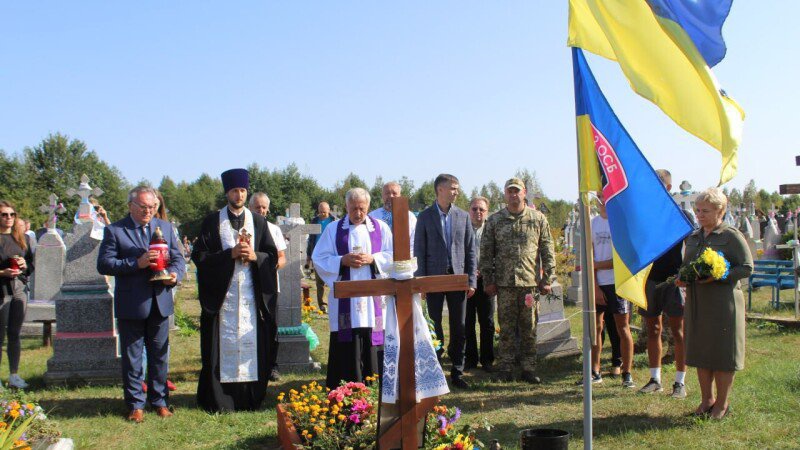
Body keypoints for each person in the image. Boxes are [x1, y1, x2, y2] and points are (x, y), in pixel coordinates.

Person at [191, 169, 278, 412]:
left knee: (251, 346)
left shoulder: (259, 222)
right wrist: (228, 255)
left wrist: (255, 256)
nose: (238, 195)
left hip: (251, 298)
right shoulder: (211, 221)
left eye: (242, 191)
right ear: (227, 192)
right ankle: (219, 399)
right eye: (234, 191)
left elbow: (272, 258)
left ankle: (249, 398)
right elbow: (199, 256)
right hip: (222, 300)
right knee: (219, 347)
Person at [97, 186, 185, 422]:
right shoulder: (115, 230)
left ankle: (160, 401)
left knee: (159, 355)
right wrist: (137, 263)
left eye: (152, 207)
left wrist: (176, 274)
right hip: (132, 303)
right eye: (144, 207)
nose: (149, 211)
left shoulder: (165, 227)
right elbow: (104, 264)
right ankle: (136, 404)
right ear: (131, 206)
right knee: (133, 357)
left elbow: (178, 257)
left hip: (160, 300)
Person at [678, 187, 752, 419]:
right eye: (697, 210)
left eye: (705, 211)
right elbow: (687, 265)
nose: (699, 215)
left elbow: (747, 267)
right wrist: (682, 277)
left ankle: (721, 404)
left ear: (721, 210)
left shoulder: (730, 236)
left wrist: (721, 275)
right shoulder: (693, 237)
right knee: (701, 351)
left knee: (721, 354)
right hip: (698, 302)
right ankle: (706, 400)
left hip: (723, 303)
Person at [312, 188, 393, 390]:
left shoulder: (380, 228)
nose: (358, 213)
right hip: (345, 301)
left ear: (368, 206)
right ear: (346, 206)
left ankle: (376, 382)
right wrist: (342, 260)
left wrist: (374, 259)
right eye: (353, 208)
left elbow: (393, 255)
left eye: (362, 208)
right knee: (347, 336)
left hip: (373, 298)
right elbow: (319, 258)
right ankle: (345, 383)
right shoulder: (333, 229)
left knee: (374, 334)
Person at [480, 178, 555, 384]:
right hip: (504, 285)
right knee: (506, 329)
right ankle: (505, 368)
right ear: (505, 194)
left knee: (529, 328)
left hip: (529, 284)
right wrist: (488, 280)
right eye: (509, 191)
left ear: (525, 193)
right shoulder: (495, 221)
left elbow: (548, 250)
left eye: (517, 191)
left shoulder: (538, 219)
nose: (513, 195)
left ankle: (528, 368)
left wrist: (547, 278)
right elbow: (486, 253)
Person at [414, 174, 476, 389]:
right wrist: (420, 281)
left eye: (457, 188)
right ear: (440, 189)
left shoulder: (463, 216)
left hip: (458, 279)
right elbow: (419, 251)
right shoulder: (425, 216)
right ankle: (436, 368)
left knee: (459, 326)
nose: (456, 192)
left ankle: (457, 372)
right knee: (434, 325)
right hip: (433, 278)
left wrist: (471, 280)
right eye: (453, 188)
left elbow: (470, 250)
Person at [638, 169, 693, 398]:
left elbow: (693, 247)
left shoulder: (681, 215)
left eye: (660, 184)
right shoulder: (644, 215)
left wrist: (687, 277)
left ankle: (680, 382)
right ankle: (655, 378)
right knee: (653, 329)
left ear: (669, 188)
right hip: (650, 279)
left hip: (674, 280)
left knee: (678, 332)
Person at [590, 194, 636, 388]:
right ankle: (595, 370)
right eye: (599, 196)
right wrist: (595, 286)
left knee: (622, 328)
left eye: (605, 195)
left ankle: (627, 371)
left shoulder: (621, 223)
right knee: (596, 328)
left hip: (618, 283)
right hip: (598, 284)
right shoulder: (592, 224)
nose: (602, 200)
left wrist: (598, 265)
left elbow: (622, 259)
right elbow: (588, 256)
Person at [249, 192, 287, 381]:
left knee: (271, 326)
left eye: (264, 207)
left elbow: (282, 257)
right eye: (258, 207)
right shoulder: (244, 229)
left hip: (270, 286)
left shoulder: (274, 229)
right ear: (250, 208)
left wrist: (271, 268)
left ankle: (272, 365)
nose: (261, 210)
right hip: (247, 285)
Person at [0, 201, 33, 389]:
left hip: (19, 288)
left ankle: (14, 375)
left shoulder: (22, 238)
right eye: (4, 215)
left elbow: (31, 263)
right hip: (1, 290)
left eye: (12, 214)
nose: (9, 218)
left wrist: (24, 265)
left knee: (15, 333)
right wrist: (2, 273)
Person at [464, 196, 495, 372]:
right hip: (467, 282)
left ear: (486, 212)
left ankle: (487, 359)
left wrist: (485, 270)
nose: (478, 212)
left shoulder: (492, 230)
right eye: (474, 209)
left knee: (487, 322)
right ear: (469, 210)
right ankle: (470, 359)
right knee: (467, 321)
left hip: (486, 281)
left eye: (481, 209)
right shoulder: (463, 229)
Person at [368, 181, 417, 255]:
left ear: (400, 195)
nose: (391, 196)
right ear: (382, 196)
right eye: (387, 193)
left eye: (394, 193)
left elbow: (414, 241)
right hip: (379, 262)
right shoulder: (372, 216)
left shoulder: (410, 216)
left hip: (404, 261)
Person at [306, 201, 338, 313]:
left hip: (332, 255)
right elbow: (310, 240)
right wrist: (308, 255)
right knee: (319, 283)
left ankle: (335, 303)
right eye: (320, 212)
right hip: (318, 255)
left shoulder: (334, 221)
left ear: (329, 211)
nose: (322, 214)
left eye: (324, 212)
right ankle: (322, 305)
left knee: (334, 280)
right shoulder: (314, 221)